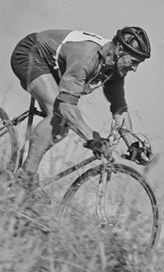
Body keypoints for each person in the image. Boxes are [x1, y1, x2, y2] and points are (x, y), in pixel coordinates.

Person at [10, 26, 151, 194]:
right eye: (133, 62)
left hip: (56, 65)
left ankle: (13, 169)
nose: (134, 69)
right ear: (120, 49)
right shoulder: (87, 57)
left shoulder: (115, 70)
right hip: (31, 53)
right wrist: (92, 139)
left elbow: (119, 109)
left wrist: (133, 145)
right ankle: (24, 181)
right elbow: (66, 107)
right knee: (59, 119)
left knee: (61, 127)